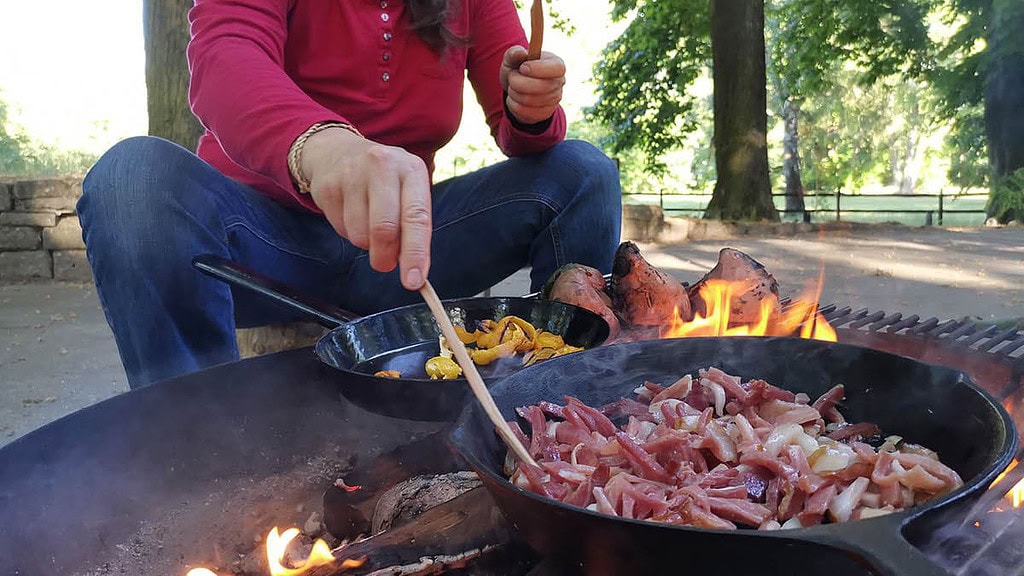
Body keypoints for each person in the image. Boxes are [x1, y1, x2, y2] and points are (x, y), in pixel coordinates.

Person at [78, 0, 622, 388]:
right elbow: (226, 56)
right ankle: (198, 443)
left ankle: (562, 407)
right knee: (133, 180)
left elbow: (520, 130)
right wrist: (325, 148)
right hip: (262, 249)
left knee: (583, 173)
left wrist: (531, 108)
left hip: (403, 252)